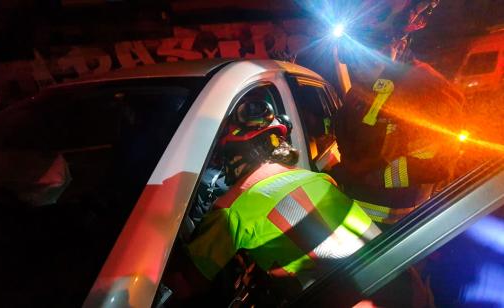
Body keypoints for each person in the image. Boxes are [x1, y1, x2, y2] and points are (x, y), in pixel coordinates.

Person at [166, 99, 381, 305]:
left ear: (238, 155)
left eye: (226, 157)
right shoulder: (318, 179)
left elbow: (187, 285)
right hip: (395, 278)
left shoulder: (233, 208)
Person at [326, 0, 465, 227]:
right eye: (350, 55)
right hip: (352, 219)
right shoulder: (360, 90)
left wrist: (371, 176)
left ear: (399, 47)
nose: (356, 64)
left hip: (396, 234)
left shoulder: (428, 88)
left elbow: (441, 161)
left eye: (368, 53)